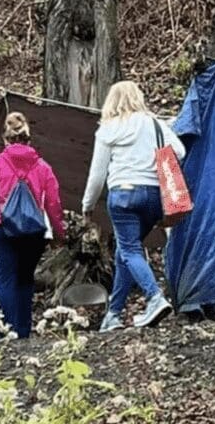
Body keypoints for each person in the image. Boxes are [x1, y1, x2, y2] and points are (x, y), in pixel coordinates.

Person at [82, 80, 185, 331]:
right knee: (125, 253)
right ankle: (113, 314)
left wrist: (88, 204)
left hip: (123, 197)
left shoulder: (108, 129)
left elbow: (97, 174)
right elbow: (180, 152)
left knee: (129, 250)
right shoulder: (155, 124)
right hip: (153, 198)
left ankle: (154, 297)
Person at [0, 111, 66, 339]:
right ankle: (23, 333)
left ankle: (6, 332)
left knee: (4, 280)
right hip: (34, 233)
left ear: (4, 138)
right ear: (29, 139)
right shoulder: (43, 168)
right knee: (25, 280)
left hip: (1, 230)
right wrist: (59, 236)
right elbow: (54, 206)